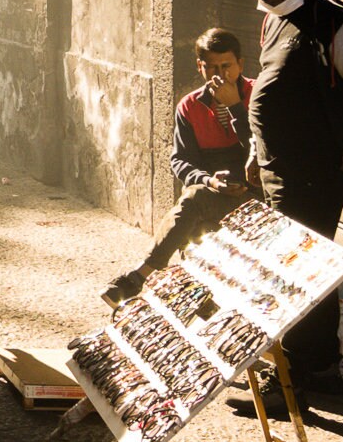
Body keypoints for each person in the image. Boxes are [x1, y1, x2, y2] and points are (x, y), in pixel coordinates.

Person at [235, 0, 343, 409]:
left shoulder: (334, 26)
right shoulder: (274, 20)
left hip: (315, 174)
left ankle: (291, 381)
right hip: (280, 170)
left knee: (293, 273)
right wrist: (256, 149)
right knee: (308, 268)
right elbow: (271, 87)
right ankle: (320, 367)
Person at [101, 28, 253, 306]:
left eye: (227, 66)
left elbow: (264, 149)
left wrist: (235, 107)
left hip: (257, 193)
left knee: (193, 203)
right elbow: (181, 160)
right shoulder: (190, 107)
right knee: (194, 206)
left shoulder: (257, 95)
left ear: (240, 65)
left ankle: (140, 276)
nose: (220, 75)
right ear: (200, 67)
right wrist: (210, 181)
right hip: (214, 194)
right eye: (212, 67)